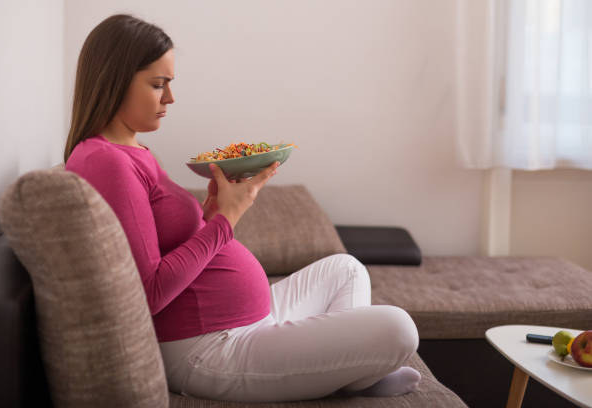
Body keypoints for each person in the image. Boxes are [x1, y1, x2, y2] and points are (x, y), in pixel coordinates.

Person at [64, 13, 421, 403]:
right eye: (158, 85)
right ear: (114, 80)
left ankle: (351, 374)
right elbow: (149, 292)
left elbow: (165, 237)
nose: (170, 98)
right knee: (398, 328)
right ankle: (352, 375)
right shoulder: (107, 162)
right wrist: (225, 221)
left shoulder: (132, 151)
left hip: (247, 319)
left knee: (346, 268)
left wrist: (209, 209)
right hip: (207, 348)